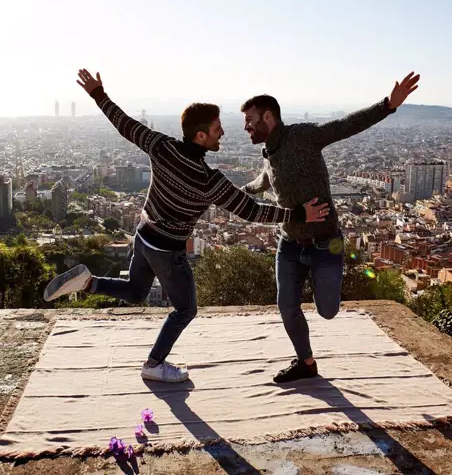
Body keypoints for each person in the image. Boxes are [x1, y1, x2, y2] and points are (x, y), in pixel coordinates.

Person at [44, 68, 330, 383]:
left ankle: (89, 282)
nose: (223, 133)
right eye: (218, 128)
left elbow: (124, 124)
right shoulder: (210, 181)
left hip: (143, 236)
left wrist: (98, 94)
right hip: (168, 251)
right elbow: (252, 211)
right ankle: (154, 364)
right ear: (201, 136)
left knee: (137, 291)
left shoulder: (161, 146)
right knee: (185, 310)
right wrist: (299, 215)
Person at [241, 72, 420, 384]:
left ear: (268, 117)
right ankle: (306, 362)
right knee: (286, 306)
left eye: (250, 120)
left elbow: (343, 126)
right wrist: (241, 190)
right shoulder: (268, 152)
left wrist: (388, 105)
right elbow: (264, 180)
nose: (246, 127)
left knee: (327, 311)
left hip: (327, 243)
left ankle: (329, 285)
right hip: (290, 245)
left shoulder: (302, 136)